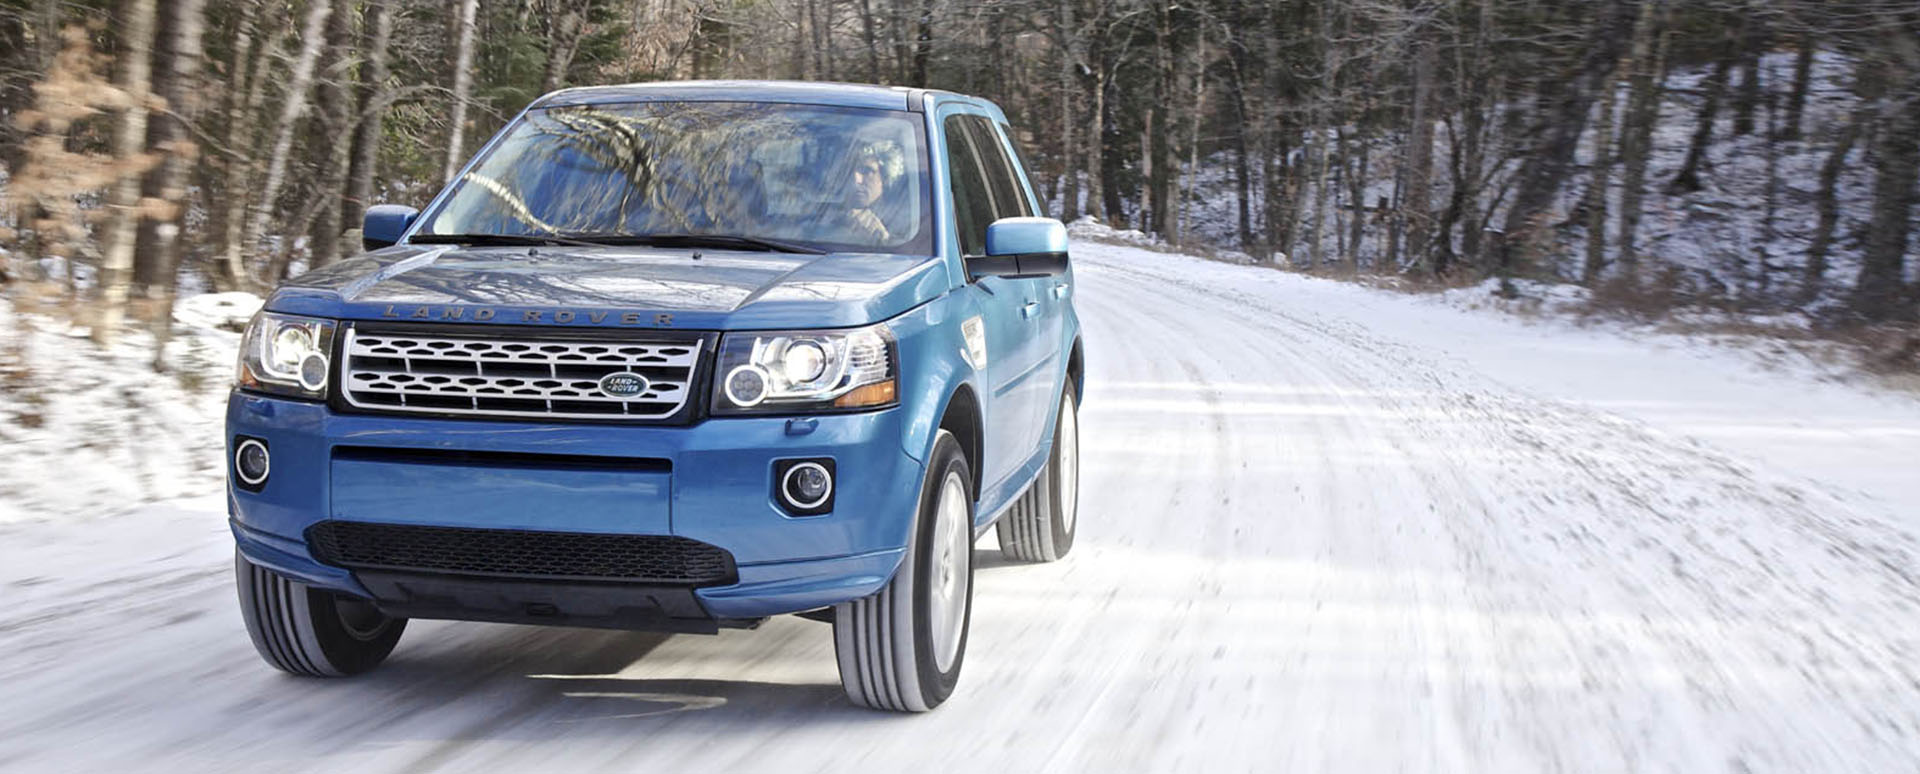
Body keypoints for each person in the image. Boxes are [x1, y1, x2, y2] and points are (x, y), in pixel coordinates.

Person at [839, 139, 905, 246]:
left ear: (885, 177)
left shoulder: (903, 223)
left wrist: (883, 239)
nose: (856, 180)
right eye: (850, 171)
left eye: (866, 171)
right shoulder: (824, 215)